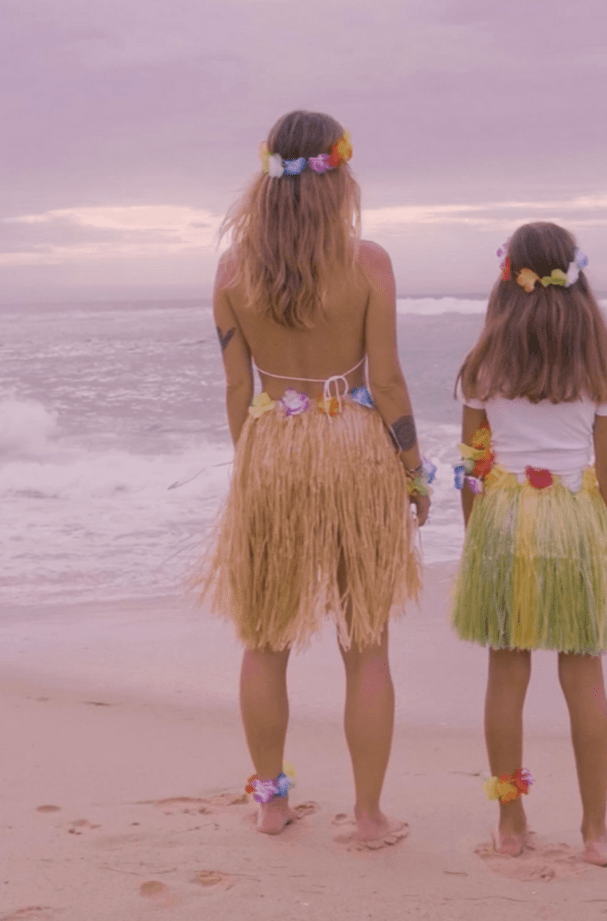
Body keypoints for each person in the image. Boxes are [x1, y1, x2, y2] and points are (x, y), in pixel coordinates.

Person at [201, 111, 430, 847]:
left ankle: (270, 801)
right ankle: (367, 816)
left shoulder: (233, 272)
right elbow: (386, 381)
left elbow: (237, 389)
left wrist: (252, 460)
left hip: (273, 449)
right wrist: (413, 471)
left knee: (263, 638)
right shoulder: (369, 264)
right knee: (365, 642)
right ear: (342, 178)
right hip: (353, 448)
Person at [451, 221, 607, 866]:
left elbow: (472, 461)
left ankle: (510, 825)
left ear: (508, 279)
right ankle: (595, 834)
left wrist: (477, 533)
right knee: (584, 676)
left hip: (504, 519)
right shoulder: (600, 361)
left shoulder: (483, 361)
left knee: (507, 670)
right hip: (576, 522)